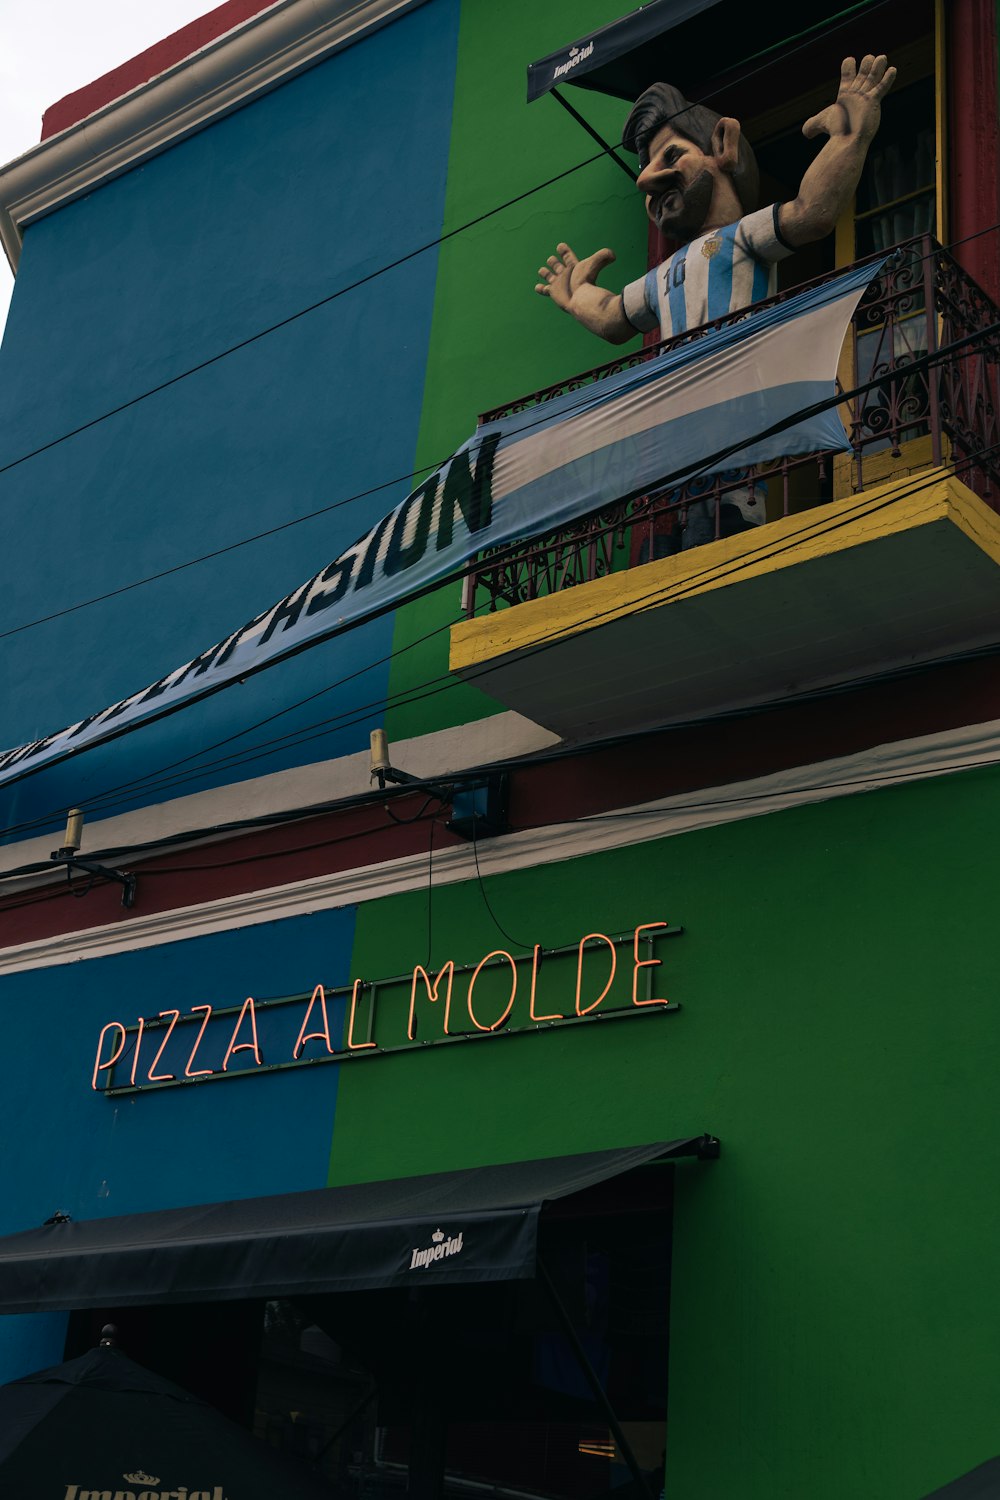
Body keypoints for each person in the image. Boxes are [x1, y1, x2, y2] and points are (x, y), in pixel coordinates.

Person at [534, 55, 896, 548]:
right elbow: (616, 316)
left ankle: (734, 519)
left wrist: (851, 132)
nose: (647, 183)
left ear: (722, 146)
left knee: (732, 499)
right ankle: (685, 529)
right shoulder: (661, 278)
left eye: (669, 157)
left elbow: (813, 212)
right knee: (690, 512)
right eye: (644, 173)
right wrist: (576, 297)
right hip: (682, 435)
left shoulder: (744, 236)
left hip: (738, 413)